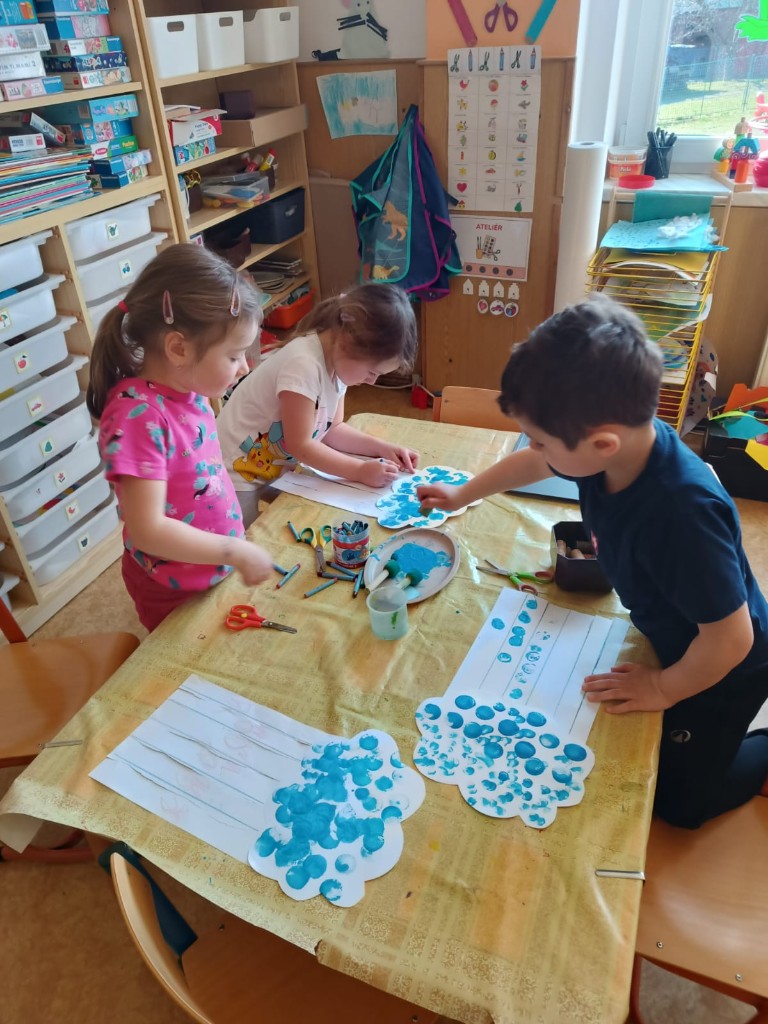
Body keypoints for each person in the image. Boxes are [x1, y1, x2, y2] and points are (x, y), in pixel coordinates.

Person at [417, 295, 768, 829]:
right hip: (676, 633)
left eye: (541, 440)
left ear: (602, 444)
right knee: (651, 749)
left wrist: (664, 687)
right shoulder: (613, 447)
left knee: (679, 804)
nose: (537, 449)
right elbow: (536, 462)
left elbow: (730, 640)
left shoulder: (683, 515)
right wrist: (463, 493)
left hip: (724, 668)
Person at [87, 245, 273, 632]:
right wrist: (234, 550)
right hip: (172, 587)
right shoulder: (138, 418)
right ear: (178, 348)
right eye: (235, 356)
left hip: (212, 566)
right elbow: (148, 530)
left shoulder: (189, 389)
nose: (246, 366)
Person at [217, 283, 420, 526]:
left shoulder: (338, 363)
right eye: (371, 371)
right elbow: (301, 446)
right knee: (246, 540)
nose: (372, 381)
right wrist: (359, 471)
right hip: (234, 475)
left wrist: (382, 448)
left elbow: (333, 429)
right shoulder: (303, 365)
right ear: (347, 343)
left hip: (271, 470)